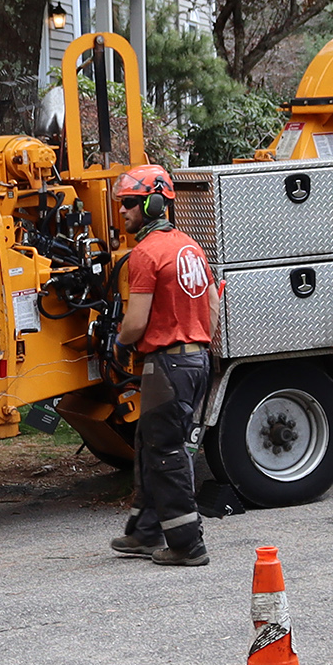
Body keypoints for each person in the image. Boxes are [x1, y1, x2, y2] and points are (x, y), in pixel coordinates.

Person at [107, 164, 219, 567]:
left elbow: (136, 322)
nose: (123, 210)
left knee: (165, 452)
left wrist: (120, 343)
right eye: (122, 203)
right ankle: (145, 532)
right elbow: (212, 305)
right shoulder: (190, 247)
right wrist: (195, 341)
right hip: (195, 359)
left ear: (154, 204)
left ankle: (187, 544)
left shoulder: (146, 253)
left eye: (130, 203)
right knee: (149, 443)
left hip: (168, 365)